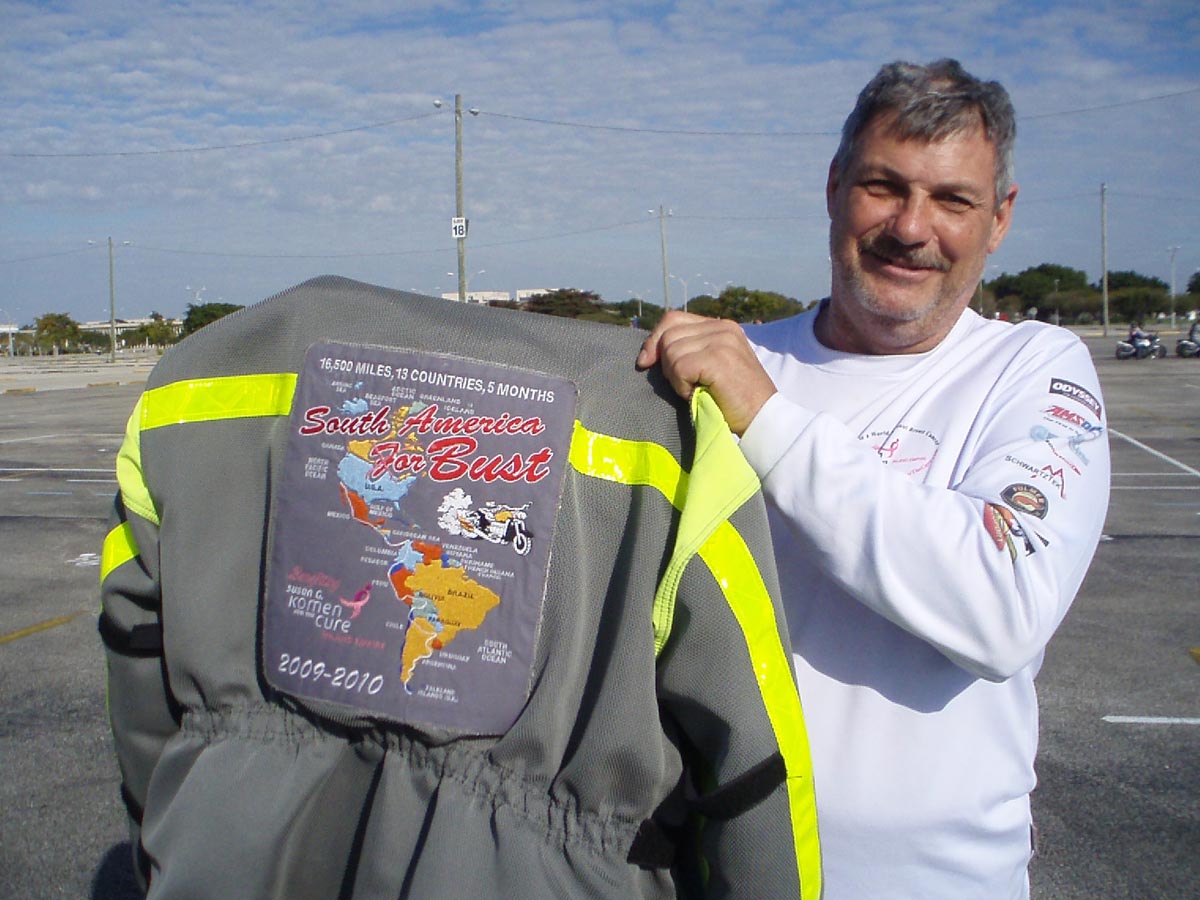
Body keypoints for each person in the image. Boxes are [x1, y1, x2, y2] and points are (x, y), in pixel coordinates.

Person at [99, 276, 822, 898]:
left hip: (226, 856)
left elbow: (137, 663)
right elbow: (752, 771)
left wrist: (168, 838)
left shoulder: (191, 387)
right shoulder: (667, 434)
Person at [638, 59, 1110, 899]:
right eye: (883, 187)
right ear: (834, 186)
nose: (911, 227)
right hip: (713, 869)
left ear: (1000, 218)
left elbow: (1003, 607)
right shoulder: (732, 360)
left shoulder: (1035, 367)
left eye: (953, 200)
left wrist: (768, 421)